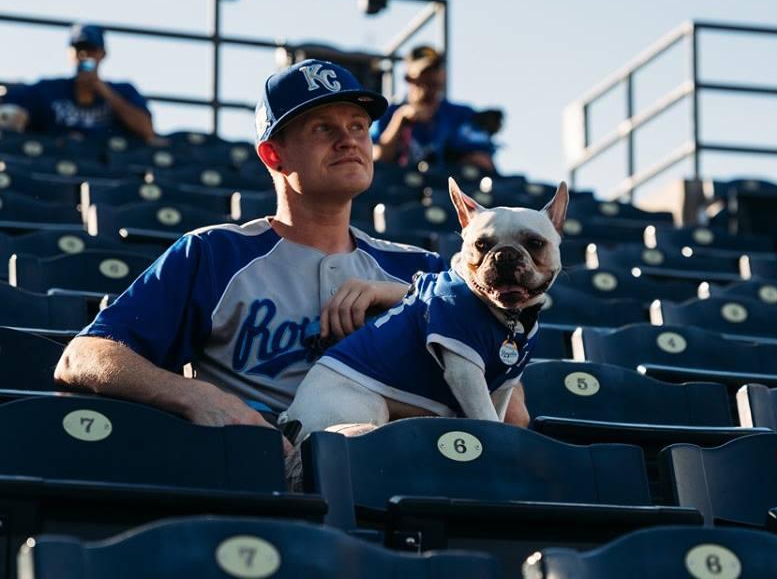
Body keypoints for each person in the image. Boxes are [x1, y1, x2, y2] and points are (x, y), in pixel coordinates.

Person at [54, 59, 529, 448]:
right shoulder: (216, 254)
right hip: (265, 474)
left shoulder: (420, 271)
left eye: (359, 125)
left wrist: (407, 298)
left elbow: (512, 414)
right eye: (323, 128)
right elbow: (82, 357)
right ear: (273, 155)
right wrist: (196, 396)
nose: (349, 139)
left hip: (411, 475)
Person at [0, 24, 154, 140]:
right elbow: (10, 108)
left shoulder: (123, 91)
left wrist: (102, 89)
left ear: (103, 54)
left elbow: (147, 131)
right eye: (78, 49)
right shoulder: (47, 90)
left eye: (90, 49)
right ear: (69, 53)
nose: (83, 55)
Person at [372, 45, 498, 171]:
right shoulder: (388, 114)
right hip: (399, 187)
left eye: (435, 70)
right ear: (408, 78)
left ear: (443, 76)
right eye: (424, 72)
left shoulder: (462, 114)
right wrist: (400, 120)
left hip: (445, 187)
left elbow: (485, 161)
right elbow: (377, 157)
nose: (431, 77)